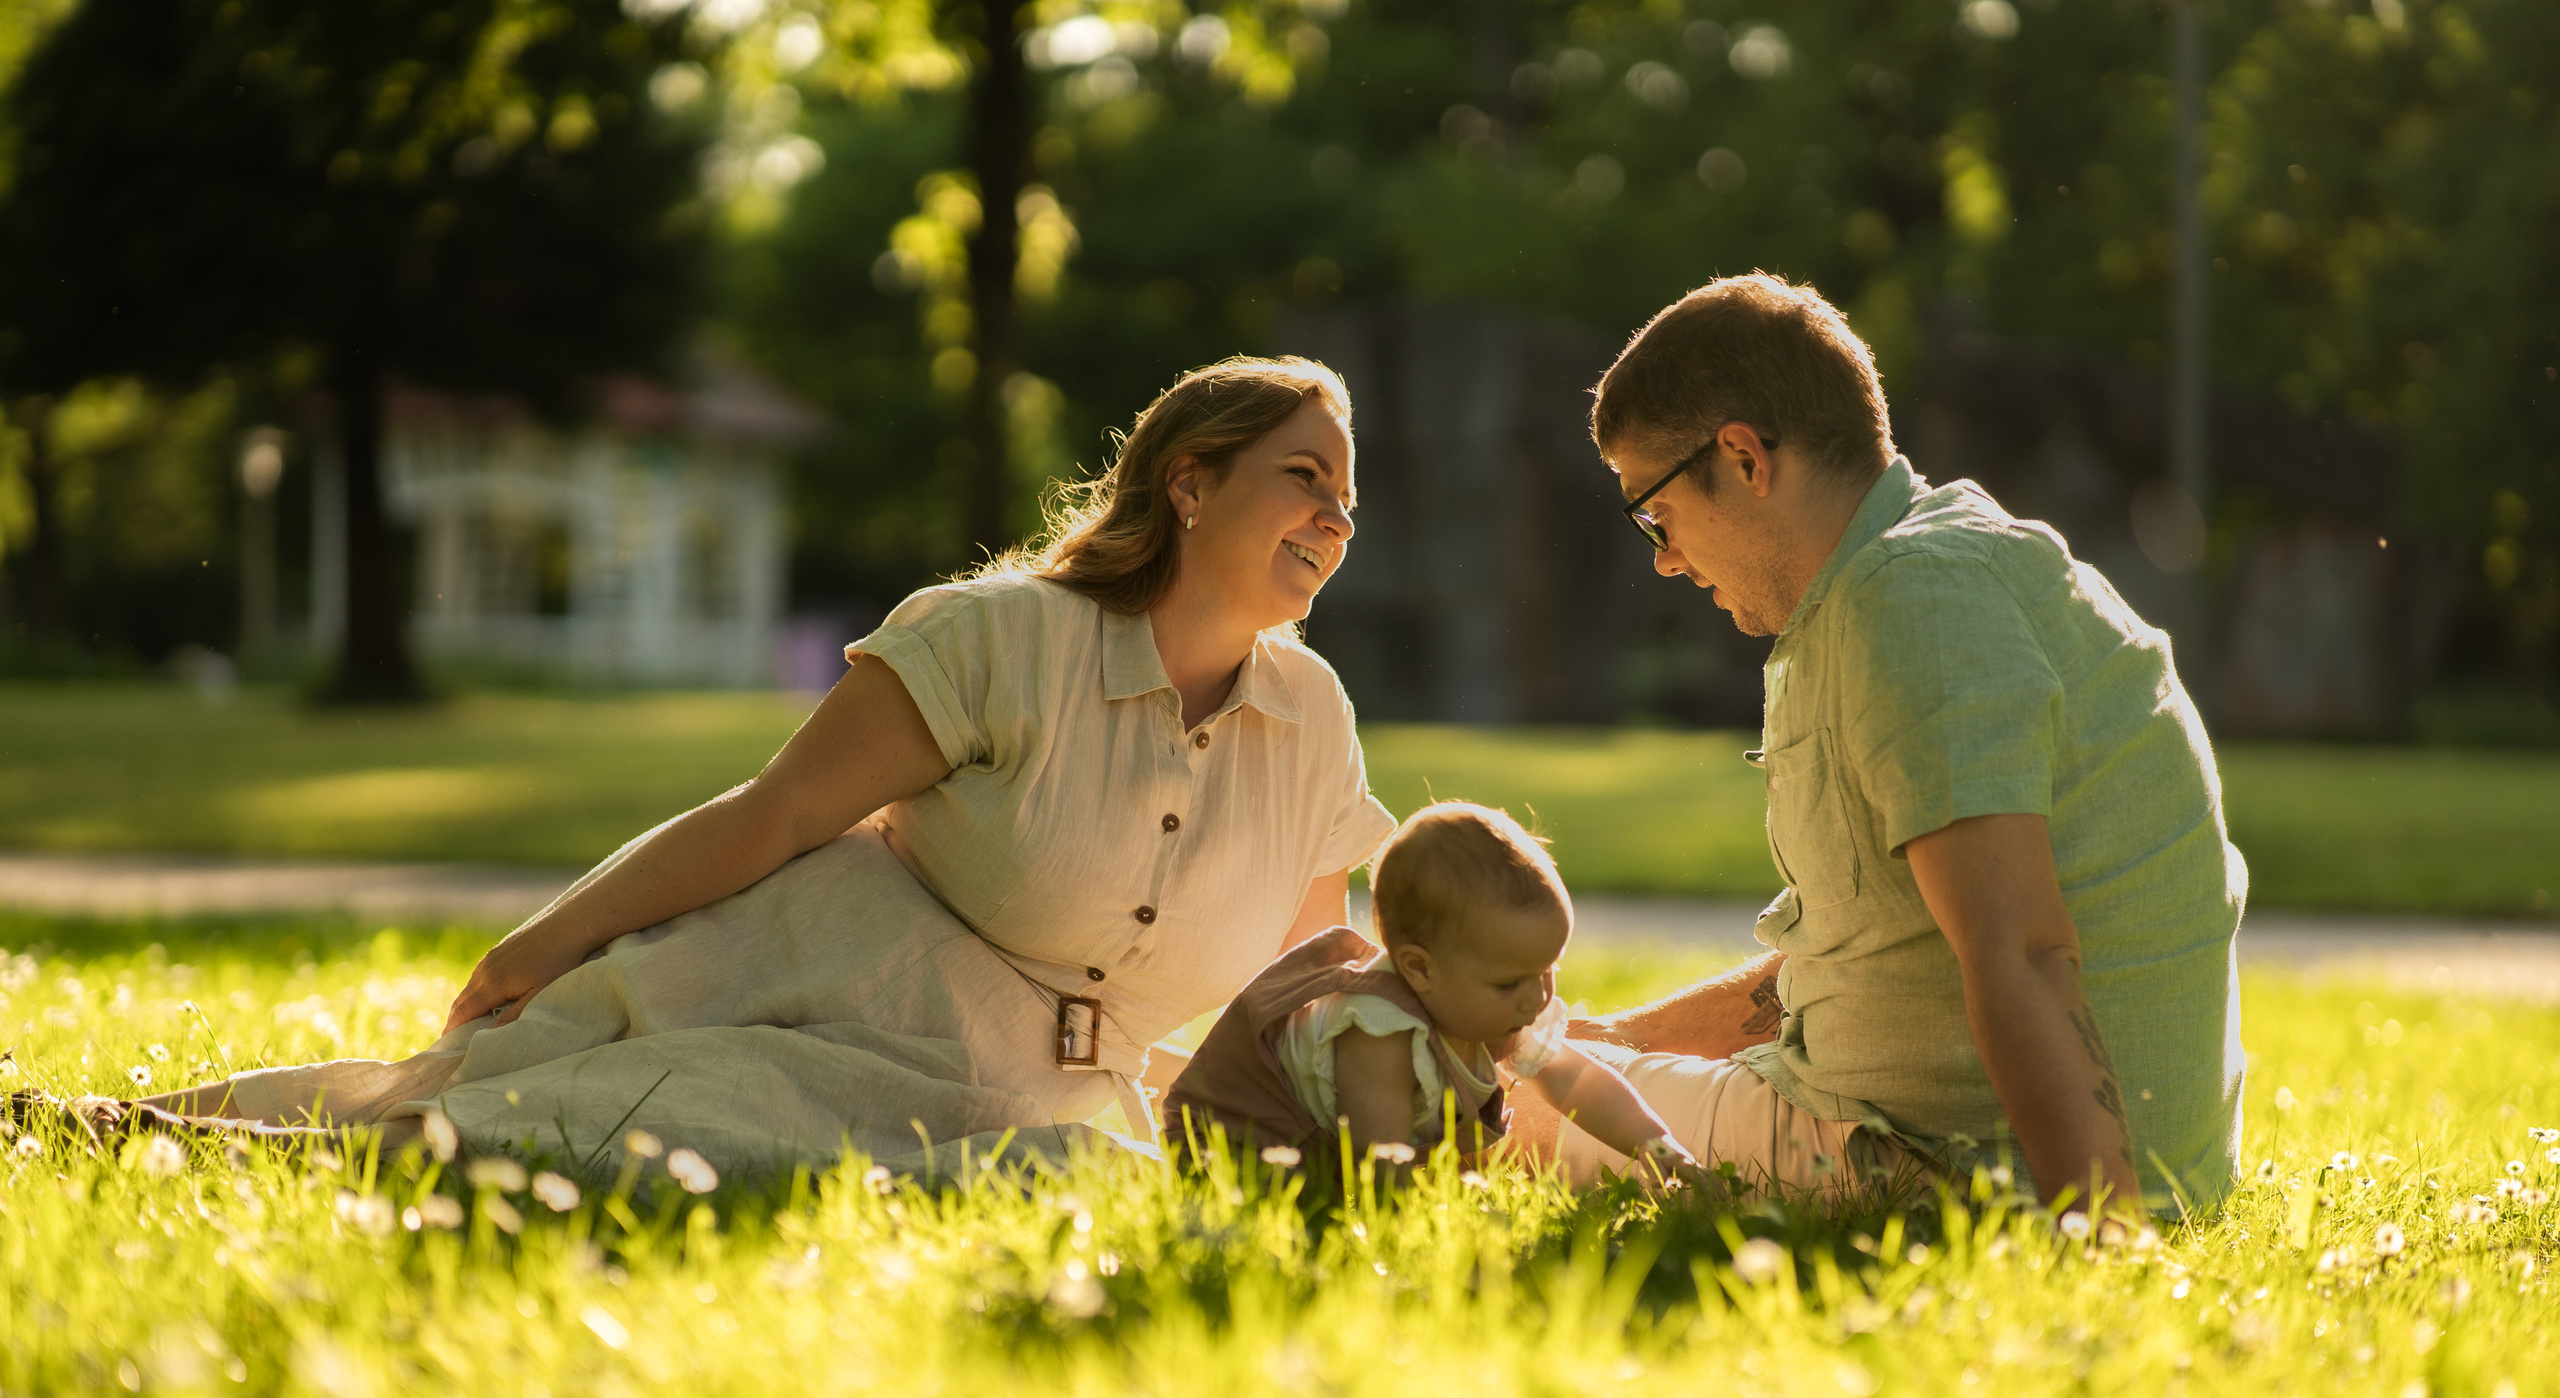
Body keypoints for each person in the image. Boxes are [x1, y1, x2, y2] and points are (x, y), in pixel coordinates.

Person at [146, 357, 1396, 1179]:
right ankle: (148, 1136)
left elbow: (1306, 997)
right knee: (557, 1119)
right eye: (1305, 479)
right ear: (1188, 483)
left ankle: (196, 1141)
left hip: (1043, 1104)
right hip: (823, 990)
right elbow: (778, 812)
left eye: (1347, 496)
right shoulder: (1003, 639)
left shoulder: (1314, 721)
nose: (1336, 518)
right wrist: (547, 941)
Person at [1513, 273, 2247, 1220]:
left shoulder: (1911, 607)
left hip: (1953, 1164)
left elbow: (2023, 950)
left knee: (1480, 1105)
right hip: (2043, 1152)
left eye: (1655, 512)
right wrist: (1600, 1040)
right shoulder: (1919, 570)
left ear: (1742, 457)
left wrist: (2100, 1231)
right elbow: (1865, 954)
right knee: (1552, 1070)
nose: (1663, 557)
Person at [1168, 803, 1689, 1179]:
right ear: (1419, 970)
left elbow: (1580, 1083)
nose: (1536, 998)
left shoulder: (1498, 1009)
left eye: (1548, 969)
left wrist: (1660, 1148)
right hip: (1239, 1145)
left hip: (1315, 1154)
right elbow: (1383, 1162)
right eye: (1510, 982)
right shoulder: (1379, 1033)